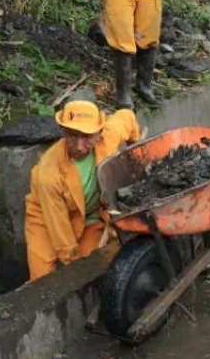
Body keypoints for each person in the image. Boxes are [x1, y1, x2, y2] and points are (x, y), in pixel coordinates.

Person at [24, 100, 140, 282]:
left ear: (99, 133)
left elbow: (127, 117)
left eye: (86, 137)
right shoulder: (49, 174)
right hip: (48, 219)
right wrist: (74, 264)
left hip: (89, 215)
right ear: (63, 132)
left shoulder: (109, 137)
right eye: (72, 135)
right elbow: (59, 228)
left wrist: (137, 149)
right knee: (42, 281)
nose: (79, 146)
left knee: (96, 264)